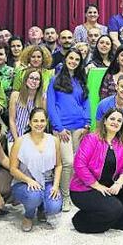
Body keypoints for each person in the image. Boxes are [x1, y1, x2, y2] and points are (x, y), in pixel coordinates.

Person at [69, 108, 123, 233]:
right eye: (112, 119)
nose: (115, 122)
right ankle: (80, 221)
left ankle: (122, 222)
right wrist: (97, 185)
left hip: (109, 185)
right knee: (115, 209)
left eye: (119, 120)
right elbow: (79, 164)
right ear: (105, 121)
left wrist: (119, 183)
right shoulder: (92, 139)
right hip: (86, 188)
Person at [46, 48, 91, 210]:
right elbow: (50, 105)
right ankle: (64, 196)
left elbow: (86, 102)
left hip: (79, 127)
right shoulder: (55, 80)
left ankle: (73, 194)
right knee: (67, 162)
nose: (73, 62)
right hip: (62, 129)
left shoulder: (81, 81)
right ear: (65, 60)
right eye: (71, 58)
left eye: (77, 60)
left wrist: (87, 122)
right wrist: (58, 127)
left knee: (77, 163)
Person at [9, 108, 63, 231]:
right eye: (35, 121)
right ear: (29, 122)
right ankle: (28, 215)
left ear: (47, 121)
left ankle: (42, 209)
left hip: (47, 181)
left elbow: (59, 165)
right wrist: (29, 180)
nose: (39, 124)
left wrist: (55, 186)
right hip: (24, 183)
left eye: (42, 121)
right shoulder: (20, 141)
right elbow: (13, 169)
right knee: (34, 196)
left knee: (54, 207)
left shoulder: (54, 140)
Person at [8, 68, 46, 141]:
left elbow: (43, 121)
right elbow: (12, 120)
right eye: (31, 78)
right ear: (26, 80)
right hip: (15, 136)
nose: (34, 81)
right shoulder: (15, 95)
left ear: (40, 83)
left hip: (35, 138)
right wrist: (17, 140)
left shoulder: (43, 98)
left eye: (37, 79)